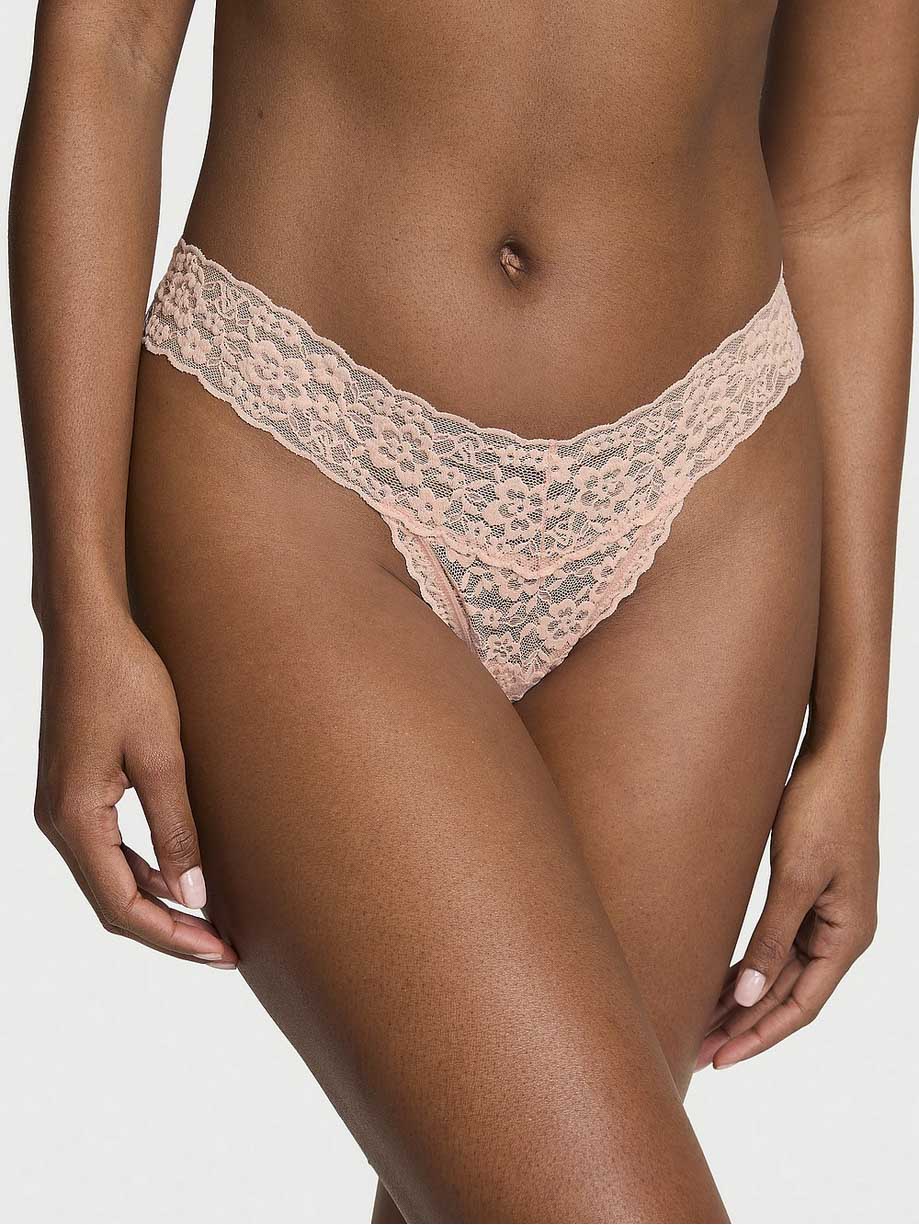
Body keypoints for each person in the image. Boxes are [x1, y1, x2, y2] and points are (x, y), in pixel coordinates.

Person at [9, 2, 917, 1221]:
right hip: (296, 456)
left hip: (707, 506)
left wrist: (855, 725)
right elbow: (110, 46)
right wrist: (76, 595)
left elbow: (845, 194)